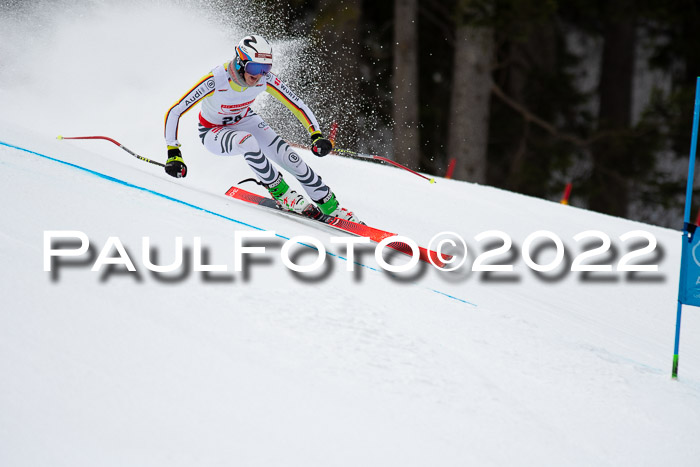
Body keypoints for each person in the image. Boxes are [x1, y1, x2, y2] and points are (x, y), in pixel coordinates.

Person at [163, 34, 361, 223]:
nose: (259, 75)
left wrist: (316, 135)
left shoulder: (265, 79)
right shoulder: (217, 79)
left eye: (265, 68)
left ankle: (330, 206)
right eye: (255, 67)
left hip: (245, 119)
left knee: (289, 157)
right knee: (246, 141)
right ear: (240, 62)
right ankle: (281, 193)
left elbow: (297, 105)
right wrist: (173, 152)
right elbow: (175, 110)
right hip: (213, 131)